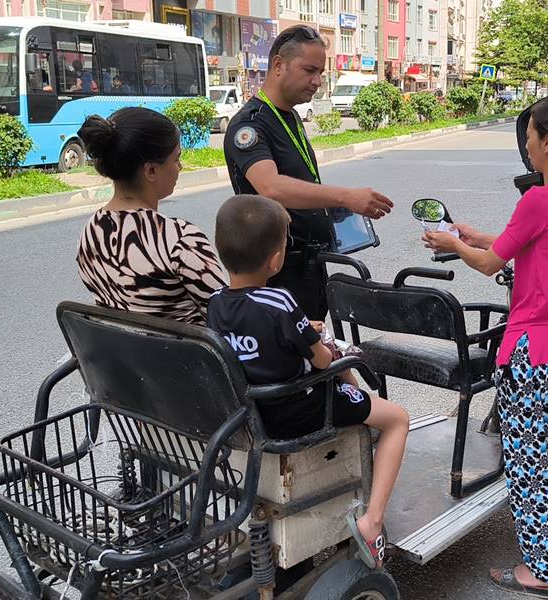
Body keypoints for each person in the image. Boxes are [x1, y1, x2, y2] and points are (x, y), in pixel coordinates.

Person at [424, 93, 548, 599]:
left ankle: (541, 570)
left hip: (536, 356)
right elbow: (518, 245)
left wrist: (454, 246)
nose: (526, 149)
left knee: (530, 461)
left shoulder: (537, 200)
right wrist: (473, 235)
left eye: (529, 140)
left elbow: (489, 265)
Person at [207, 194, 409, 569]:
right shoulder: (280, 301)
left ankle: (360, 411)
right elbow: (320, 359)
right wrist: (319, 341)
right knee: (397, 418)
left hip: (253, 413)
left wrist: (302, 333)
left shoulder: (215, 303)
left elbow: (256, 341)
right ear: (275, 259)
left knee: (344, 379)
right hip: (300, 409)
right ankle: (373, 520)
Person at [223, 25, 393, 320]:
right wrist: (344, 197)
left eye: (321, 74)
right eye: (309, 70)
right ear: (278, 65)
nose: (316, 81)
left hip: (309, 266)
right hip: (276, 271)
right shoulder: (249, 126)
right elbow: (271, 187)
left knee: (317, 354)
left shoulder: (289, 117)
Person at [76, 107, 226, 326]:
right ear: (151, 171)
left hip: (120, 358)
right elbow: (228, 317)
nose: (180, 167)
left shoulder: (90, 232)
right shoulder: (179, 239)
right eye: (176, 159)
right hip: (182, 358)